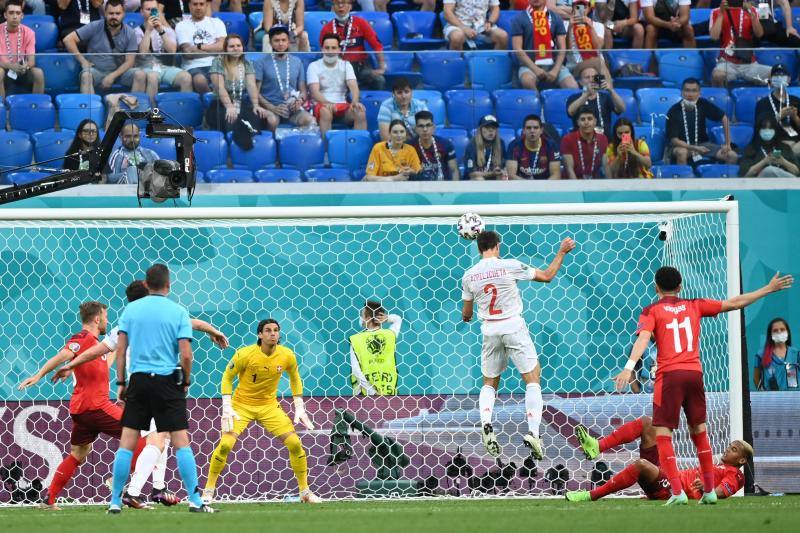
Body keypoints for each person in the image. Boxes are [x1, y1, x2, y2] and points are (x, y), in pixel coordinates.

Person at [612, 266, 793, 505]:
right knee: (699, 432)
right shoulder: (695, 305)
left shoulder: (651, 310)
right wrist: (767, 289)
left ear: (656, 287)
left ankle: (677, 492)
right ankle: (709, 491)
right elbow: (735, 303)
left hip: (669, 376)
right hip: (694, 375)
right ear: (680, 286)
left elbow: (644, 337)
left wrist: (628, 366)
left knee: (663, 434)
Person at [53, 280, 229, 509]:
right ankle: (135, 490)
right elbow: (190, 328)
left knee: (160, 437)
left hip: (135, 389)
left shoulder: (126, 324)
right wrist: (212, 332)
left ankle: (156, 487)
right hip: (157, 386)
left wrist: (73, 364)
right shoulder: (163, 318)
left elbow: (102, 349)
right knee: (162, 439)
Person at [17, 301, 147, 510]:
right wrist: (39, 375)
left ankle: (48, 500)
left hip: (81, 410)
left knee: (79, 452)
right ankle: (117, 483)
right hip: (95, 406)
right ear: (97, 319)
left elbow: (103, 360)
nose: (106, 320)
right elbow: (64, 354)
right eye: (104, 316)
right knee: (138, 437)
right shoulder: (83, 338)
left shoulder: (96, 345)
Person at [107, 263, 215, 513]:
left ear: (146, 284)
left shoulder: (130, 310)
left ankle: (114, 502)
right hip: (168, 381)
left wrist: (122, 382)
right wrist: (186, 381)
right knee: (180, 442)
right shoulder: (177, 311)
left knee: (127, 443)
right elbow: (187, 355)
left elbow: (121, 350)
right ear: (169, 285)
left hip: (139, 381)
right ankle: (195, 500)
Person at [462, 230, 575, 459]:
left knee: (489, 383)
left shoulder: (469, 275)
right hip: (513, 326)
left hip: (490, 330)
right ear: (497, 246)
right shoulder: (509, 265)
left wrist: (469, 315)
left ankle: (486, 423)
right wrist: (561, 252)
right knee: (532, 379)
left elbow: (466, 314)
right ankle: (533, 432)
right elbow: (547, 276)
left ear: (478, 248)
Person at [202, 319, 320, 504]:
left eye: (276, 330)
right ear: (260, 334)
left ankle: (304, 492)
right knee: (225, 446)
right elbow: (227, 376)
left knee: (295, 444)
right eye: (268, 330)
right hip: (241, 406)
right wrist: (227, 406)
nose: (273, 333)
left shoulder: (287, 355)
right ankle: (208, 491)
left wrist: (299, 407)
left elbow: (295, 378)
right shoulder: (245, 354)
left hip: (269, 407)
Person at [566, 416, 751, 502]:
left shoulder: (736, 475)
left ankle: (590, 495)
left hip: (670, 490)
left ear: (742, 460)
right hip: (668, 477)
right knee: (648, 424)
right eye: (729, 446)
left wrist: (709, 489)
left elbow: (723, 491)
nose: (728, 450)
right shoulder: (718, 465)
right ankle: (597, 446)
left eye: (734, 450)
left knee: (640, 466)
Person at [63, 0, 146, 95]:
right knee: (86, 75)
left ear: (123, 14)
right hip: (97, 71)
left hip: (120, 72)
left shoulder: (130, 32)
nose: (114, 16)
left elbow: (130, 61)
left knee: (140, 74)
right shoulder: (95, 26)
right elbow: (68, 40)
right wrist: (83, 61)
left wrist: (112, 76)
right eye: (111, 13)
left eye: (117, 13)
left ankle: (134, 107)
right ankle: (91, 108)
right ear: (105, 14)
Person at [205, 34, 268, 148]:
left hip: (240, 103)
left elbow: (251, 85)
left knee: (256, 117)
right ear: (226, 49)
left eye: (238, 45)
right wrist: (229, 106)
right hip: (220, 104)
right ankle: (230, 153)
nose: (236, 48)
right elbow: (220, 87)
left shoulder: (247, 63)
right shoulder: (218, 62)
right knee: (231, 119)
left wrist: (256, 105)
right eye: (232, 46)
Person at [254, 25, 314, 133]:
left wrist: (299, 101)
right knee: (272, 121)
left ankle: (297, 146)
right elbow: (255, 93)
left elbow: (303, 91)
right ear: (270, 43)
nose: (280, 44)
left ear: (288, 42)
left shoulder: (297, 62)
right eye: (276, 40)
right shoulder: (261, 62)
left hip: (292, 108)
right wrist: (272, 108)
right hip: (270, 107)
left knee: (310, 120)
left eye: (283, 40)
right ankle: (272, 148)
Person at [665, 78, 737, 166]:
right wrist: (694, 148)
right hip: (681, 146)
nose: (690, 94)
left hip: (703, 145)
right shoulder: (673, 111)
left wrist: (727, 143)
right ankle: (684, 178)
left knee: (732, 155)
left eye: (694, 91)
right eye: (687, 91)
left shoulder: (703, 103)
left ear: (699, 93)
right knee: (682, 153)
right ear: (682, 93)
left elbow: (724, 118)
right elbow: (674, 141)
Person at [307, 33, 367, 138]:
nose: (330, 51)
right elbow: (314, 92)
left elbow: (353, 86)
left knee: (360, 112)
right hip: (322, 105)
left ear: (339, 50)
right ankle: (326, 150)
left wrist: (355, 102)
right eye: (327, 48)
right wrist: (329, 104)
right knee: (325, 112)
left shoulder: (346, 65)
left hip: (342, 105)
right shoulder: (313, 66)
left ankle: (359, 146)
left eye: (333, 48)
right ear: (322, 49)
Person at [511, 0, 578, 91]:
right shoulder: (518, 19)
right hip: (530, 65)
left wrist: (556, 70)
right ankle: (538, 104)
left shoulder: (556, 18)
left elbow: (562, 47)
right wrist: (535, 69)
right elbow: (517, 49)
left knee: (572, 86)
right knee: (527, 80)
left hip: (553, 64)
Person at [320, 0, 386, 90]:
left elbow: (377, 45)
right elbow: (323, 53)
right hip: (339, 69)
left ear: (350, 6)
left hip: (361, 68)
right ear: (333, 8)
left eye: (344, 3)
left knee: (379, 80)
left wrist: (382, 67)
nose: (340, 6)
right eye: (337, 4)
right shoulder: (327, 28)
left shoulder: (361, 23)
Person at [136, 0, 192, 103]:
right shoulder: (137, 31)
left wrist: (161, 31)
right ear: (142, 11)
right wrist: (148, 31)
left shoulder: (167, 30)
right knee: (152, 77)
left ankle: (184, 112)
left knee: (186, 77)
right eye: (148, 9)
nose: (151, 13)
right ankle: (152, 114)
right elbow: (142, 53)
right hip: (147, 68)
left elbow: (172, 51)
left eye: (154, 10)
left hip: (166, 68)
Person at [709, 0, 771, 87]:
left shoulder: (754, 10)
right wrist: (721, 14)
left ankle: (768, 99)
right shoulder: (716, 11)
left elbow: (759, 34)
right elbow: (714, 37)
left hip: (749, 62)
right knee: (717, 76)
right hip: (727, 62)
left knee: (776, 74)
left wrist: (753, 16)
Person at [349, 301, 402, 396]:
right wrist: (387, 318)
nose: (360, 318)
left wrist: (372, 392)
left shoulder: (356, 339)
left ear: (368, 319)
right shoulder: (390, 334)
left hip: (364, 395)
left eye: (362, 315)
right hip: (389, 392)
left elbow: (356, 370)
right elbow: (398, 319)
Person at [175, 0, 227, 94]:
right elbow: (188, 54)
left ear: (207, 5)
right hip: (193, 66)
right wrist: (214, 50)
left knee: (220, 79)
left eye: (201, 4)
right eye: (195, 4)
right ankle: (212, 103)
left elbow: (222, 46)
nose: (198, 7)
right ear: (189, 6)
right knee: (199, 81)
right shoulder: (181, 25)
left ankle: (214, 104)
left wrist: (198, 47)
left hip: (216, 63)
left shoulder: (217, 22)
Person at [566, 66, 625, 139]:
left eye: (594, 77)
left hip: (605, 139)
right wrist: (587, 94)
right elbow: (570, 112)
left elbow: (622, 109)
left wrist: (611, 91)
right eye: (587, 77)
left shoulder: (605, 97)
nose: (591, 80)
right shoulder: (574, 97)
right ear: (581, 82)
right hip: (581, 140)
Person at [0, 1, 44, 99]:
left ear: (22, 16)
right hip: (4, 68)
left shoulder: (29, 33)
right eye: (11, 13)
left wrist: (25, 66)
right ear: (5, 15)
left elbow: (31, 61)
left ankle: (35, 106)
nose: (15, 16)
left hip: (22, 71)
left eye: (18, 13)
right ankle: (1, 109)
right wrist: (9, 66)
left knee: (38, 73)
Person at [754, 64, 800, 156]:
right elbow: (760, 132)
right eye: (776, 75)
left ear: (789, 79)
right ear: (771, 80)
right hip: (775, 143)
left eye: (783, 75)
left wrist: (795, 117)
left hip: (796, 142)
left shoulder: (796, 101)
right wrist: (778, 117)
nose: (779, 77)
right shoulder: (762, 103)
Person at [505, 114, 561, 180]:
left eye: (536, 128)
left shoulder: (551, 145)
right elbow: (511, 175)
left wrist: (542, 188)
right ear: (523, 131)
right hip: (521, 185)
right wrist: (529, 187)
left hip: (545, 186)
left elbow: (556, 175)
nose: (532, 131)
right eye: (528, 128)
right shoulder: (514, 145)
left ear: (541, 130)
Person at [410, 110, 460, 181]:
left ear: (433, 127)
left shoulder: (445, 144)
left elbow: (454, 170)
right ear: (416, 129)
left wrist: (455, 189)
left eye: (428, 125)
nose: (425, 129)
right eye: (421, 126)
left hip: (442, 186)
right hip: (418, 187)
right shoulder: (409, 146)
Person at [563, 0, 608, 77]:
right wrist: (570, 28)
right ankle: (607, 87)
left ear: (589, 9)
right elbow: (567, 50)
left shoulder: (598, 25)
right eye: (578, 7)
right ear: (573, 8)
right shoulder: (565, 24)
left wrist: (590, 27)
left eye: (585, 7)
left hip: (595, 65)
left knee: (591, 72)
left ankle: (600, 87)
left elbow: (598, 47)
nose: (581, 9)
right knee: (598, 64)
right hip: (575, 65)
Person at [560, 110, 609, 179]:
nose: (586, 122)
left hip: (594, 183)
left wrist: (610, 186)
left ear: (595, 121)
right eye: (583, 119)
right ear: (578, 122)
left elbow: (606, 166)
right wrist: (577, 188)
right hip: (571, 184)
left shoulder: (602, 139)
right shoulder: (567, 139)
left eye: (589, 119)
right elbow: (569, 170)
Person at [442, 0, 508, 51]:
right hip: (458, 25)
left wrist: (490, 22)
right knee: (457, 37)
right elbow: (447, 12)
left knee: (502, 36)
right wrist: (464, 28)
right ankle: (458, 65)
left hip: (481, 25)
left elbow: (495, 8)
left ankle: (492, 64)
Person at [754, 318, 799, 391]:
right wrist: (763, 393)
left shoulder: (796, 353)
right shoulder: (761, 354)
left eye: (782, 329)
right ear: (770, 334)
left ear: (788, 332)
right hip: (770, 399)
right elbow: (756, 378)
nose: (779, 332)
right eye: (775, 330)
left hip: (792, 398)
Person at [378, 77, 428, 142]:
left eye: (406, 92)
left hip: (418, 144)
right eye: (399, 93)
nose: (403, 96)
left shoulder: (420, 105)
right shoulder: (386, 106)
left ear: (411, 92)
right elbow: (385, 138)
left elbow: (428, 130)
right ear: (393, 94)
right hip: (395, 146)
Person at [465, 114, 507, 180]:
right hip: (475, 182)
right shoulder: (472, 145)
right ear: (480, 130)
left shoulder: (501, 143)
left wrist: (502, 171)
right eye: (487, 127)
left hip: (494, 179)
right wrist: (491, 173)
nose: (491, 130)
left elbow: (504, 167)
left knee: (503, 176)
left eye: (493, 128)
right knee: (479, 179)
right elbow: (472, 174)